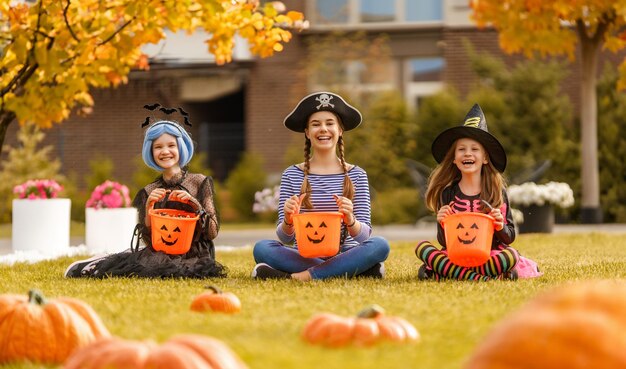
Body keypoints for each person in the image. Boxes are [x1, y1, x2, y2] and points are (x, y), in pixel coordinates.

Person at [65, 105, 226, 278]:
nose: (165, 151)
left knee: (179, 271)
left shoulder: (199, 182)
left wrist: (194, 203)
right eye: (158, 147)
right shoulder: (150, 191)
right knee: (144, 265)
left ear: (180, 148)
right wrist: (149, 207)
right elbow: (151, 241)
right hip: (163, 253)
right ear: (151, 151)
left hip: (196, 254)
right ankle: (94, 265)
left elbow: (212, 232)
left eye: (171, 145)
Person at [251, 92, 390, 281]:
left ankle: (299, 277)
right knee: (262, 248)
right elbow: (285, 239)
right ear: (307, 132)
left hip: (346, 252)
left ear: (340, 129)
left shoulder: (357, 175)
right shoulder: (292, 174)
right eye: (316, 124)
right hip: (304, 254)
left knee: (380, 245)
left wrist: (350, 220)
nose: (323, 129)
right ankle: (353, 271)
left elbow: (364, 238)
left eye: (329, 123)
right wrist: (288, 220)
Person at [415, 104, 526, 281]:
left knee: (511, 255)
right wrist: (442, 222)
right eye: (461, 149)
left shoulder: (497, 192)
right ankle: (486, 275)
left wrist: (499, 226)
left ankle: (453, 273)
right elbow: (444, 242)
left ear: (485, 158)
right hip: (457, 255)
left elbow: (510, 236)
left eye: (474, 149)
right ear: (453, 158)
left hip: (489, 254)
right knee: (422, 248)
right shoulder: (448, 193)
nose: (468, 154)